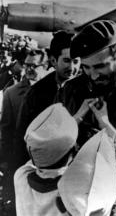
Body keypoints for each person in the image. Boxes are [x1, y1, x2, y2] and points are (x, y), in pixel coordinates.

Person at [14, 102, 116, 216]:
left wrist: (76, 118)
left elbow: (43, 147)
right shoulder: (79, 194)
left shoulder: (21, 176)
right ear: (75, 148)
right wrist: (105, 122)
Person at [14, 30, 81, 167]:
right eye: (67, 61)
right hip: (43, 169)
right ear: (53, 61)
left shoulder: (84, 89)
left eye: (76, 61)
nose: (72, 67)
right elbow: (23, 137)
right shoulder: (36, 93)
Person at [0, 49, 49, 216]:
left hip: (48, 161)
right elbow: (6, 130)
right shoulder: (11, 93)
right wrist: (5, 160)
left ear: (45, 66)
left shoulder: (54, 92)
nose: (29, 69)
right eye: (27, 65)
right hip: (19, 160)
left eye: (34, 66)